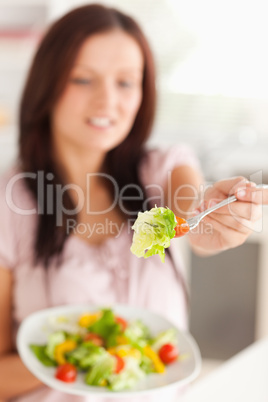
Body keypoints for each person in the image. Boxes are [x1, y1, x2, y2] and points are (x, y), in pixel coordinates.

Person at [0, 4, 266, 402]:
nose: (107, 100)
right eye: (82, 79)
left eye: (126, 82)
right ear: (47, 84)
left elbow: (192, 208)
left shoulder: (162, 168)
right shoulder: (11, 204)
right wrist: (79, 352)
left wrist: (212, 221)